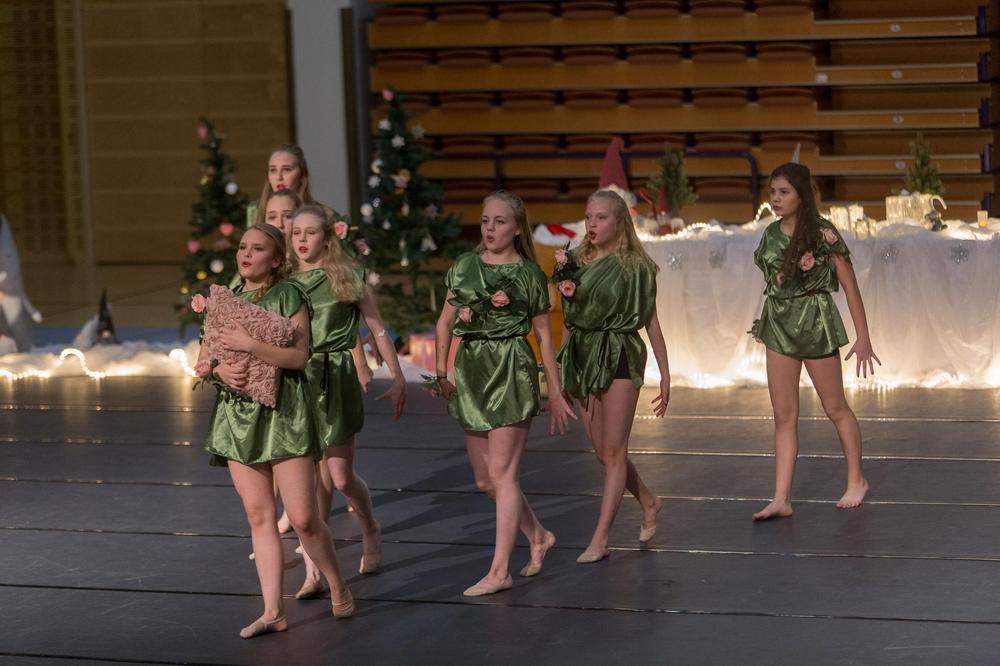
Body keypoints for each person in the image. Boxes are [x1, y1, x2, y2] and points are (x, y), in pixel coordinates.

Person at [196, 224, 354, 637]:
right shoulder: (225, 299)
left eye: (258, 248)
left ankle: (337, 583)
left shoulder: (288, 295)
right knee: (258, 515)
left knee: (303, 517)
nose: (246, 254)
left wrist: (250, 345)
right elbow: (204, 359)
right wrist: (217, 370)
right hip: (238, 417)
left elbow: (299, 357)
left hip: (284, 414)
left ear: (277, 259)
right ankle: (273, 611)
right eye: (242, 247)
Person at [433, 190, 575, 597]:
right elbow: (444, 323)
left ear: (516, 228)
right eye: (485, 221)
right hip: (472, 370)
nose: (490, 229)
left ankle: (500, 570)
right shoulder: (465, 266)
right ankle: (539, 535)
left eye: (499, 221)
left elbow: (544, 338)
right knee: (485, 480)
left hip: (511, 369)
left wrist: (555, 391)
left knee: (503, 473)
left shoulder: (529, 274)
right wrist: (441, 371)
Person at [288, 205, 407, 598]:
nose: (302, 240)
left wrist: (397, 375)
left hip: (336, 378)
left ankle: (369, 525)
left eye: (310, 232)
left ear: (327, 237)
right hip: (299, 379)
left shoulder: (347, 276)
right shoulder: (285, 280)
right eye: (296, 233)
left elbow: (377, 327)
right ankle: (314, 571)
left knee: (339, 477)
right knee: (309, 481)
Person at [749, 162, 878, 521]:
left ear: (802, 195)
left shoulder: (823, 234)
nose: (775, 199)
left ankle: (857, 479)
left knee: (835, 407)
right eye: (772, 192)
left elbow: (849, 285)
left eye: (784, 192)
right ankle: (781, 498)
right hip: (780, 325)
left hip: (815, 322)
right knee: (783, 414)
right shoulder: (770, 235)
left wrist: (863, 337)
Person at [556, 190, 670, 563]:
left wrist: (665, 374)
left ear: (620, 221)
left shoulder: (636, 266)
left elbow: (651, 322)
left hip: (619, 353)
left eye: (601, 217)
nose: (592, 224)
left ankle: (600, 538)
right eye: (588, 216)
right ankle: (649, 500)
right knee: (604, 453)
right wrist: (561, 367)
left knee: (615, 450)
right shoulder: (573, 262)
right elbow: (569, 321)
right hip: (582, 355)